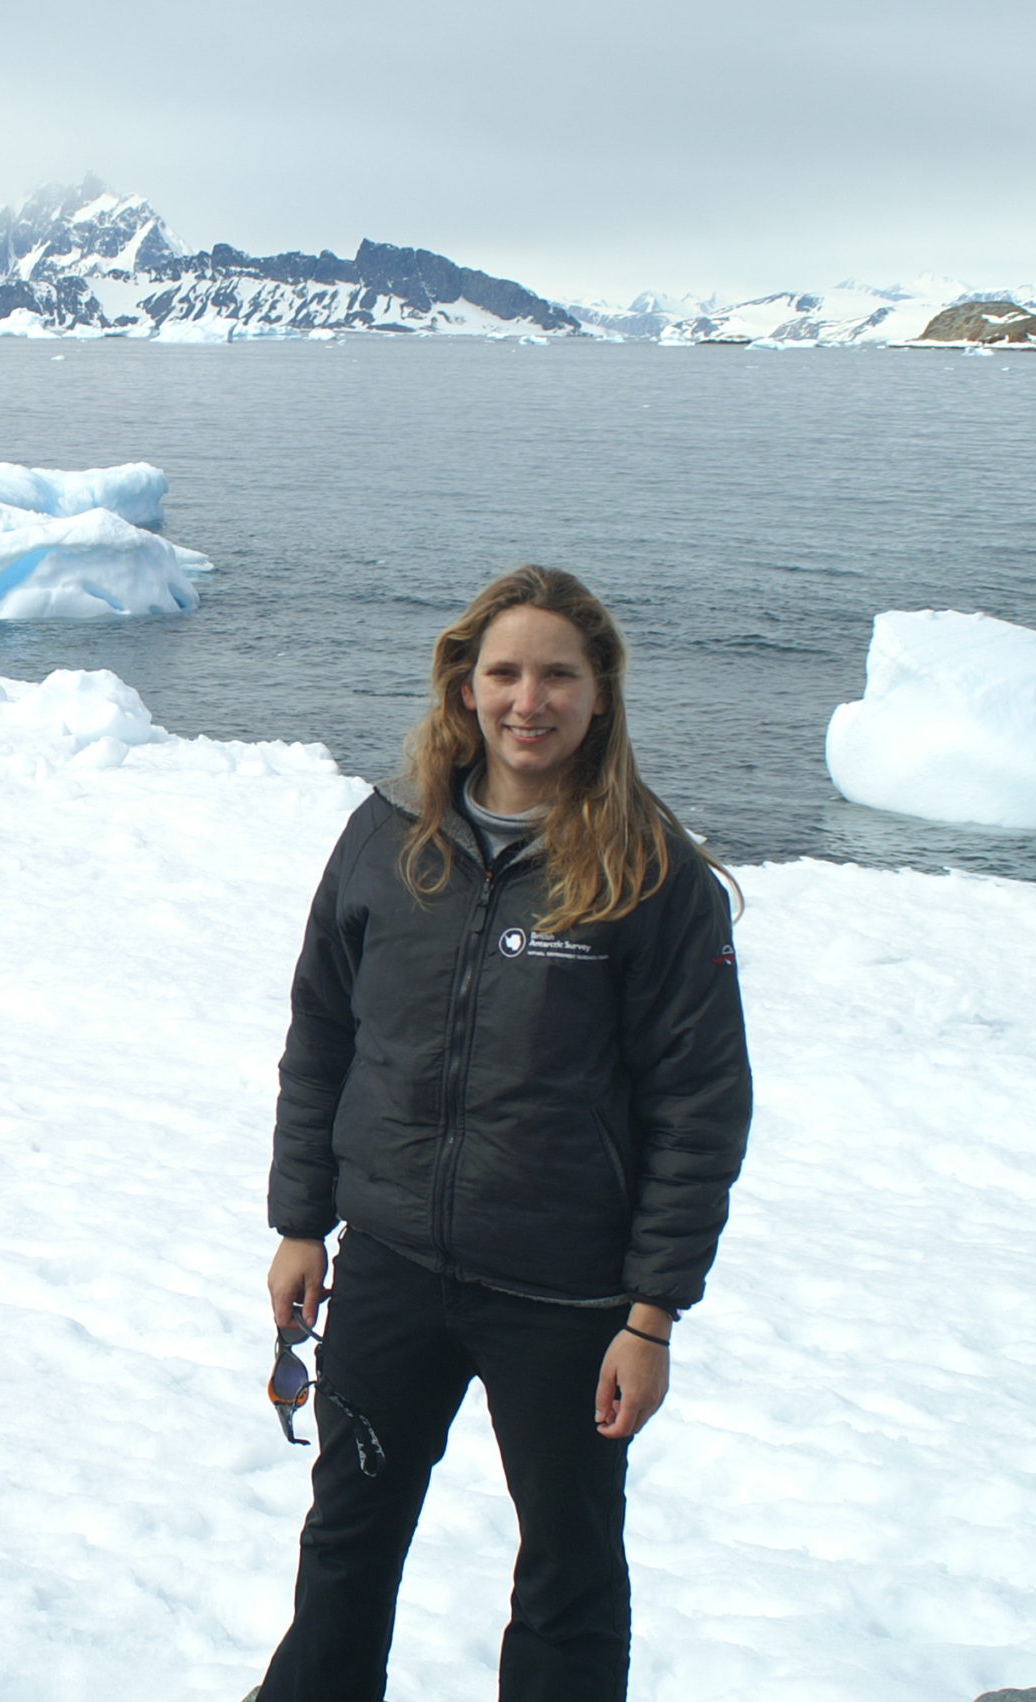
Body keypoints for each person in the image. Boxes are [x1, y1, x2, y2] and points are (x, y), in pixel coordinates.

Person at [254, 565, 752, 1702]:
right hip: (387, 1266)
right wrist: (300, 1224)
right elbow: (323, 1033)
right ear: (464, 689)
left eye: (559, 675)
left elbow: (700, 1103)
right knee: (347, 1542)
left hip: (568, 1299)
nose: (531, 700)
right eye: (506, 673)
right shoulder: (387, 837)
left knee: (567, 1573)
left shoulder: (652, 873)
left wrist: (652, 1315)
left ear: (599, 695)